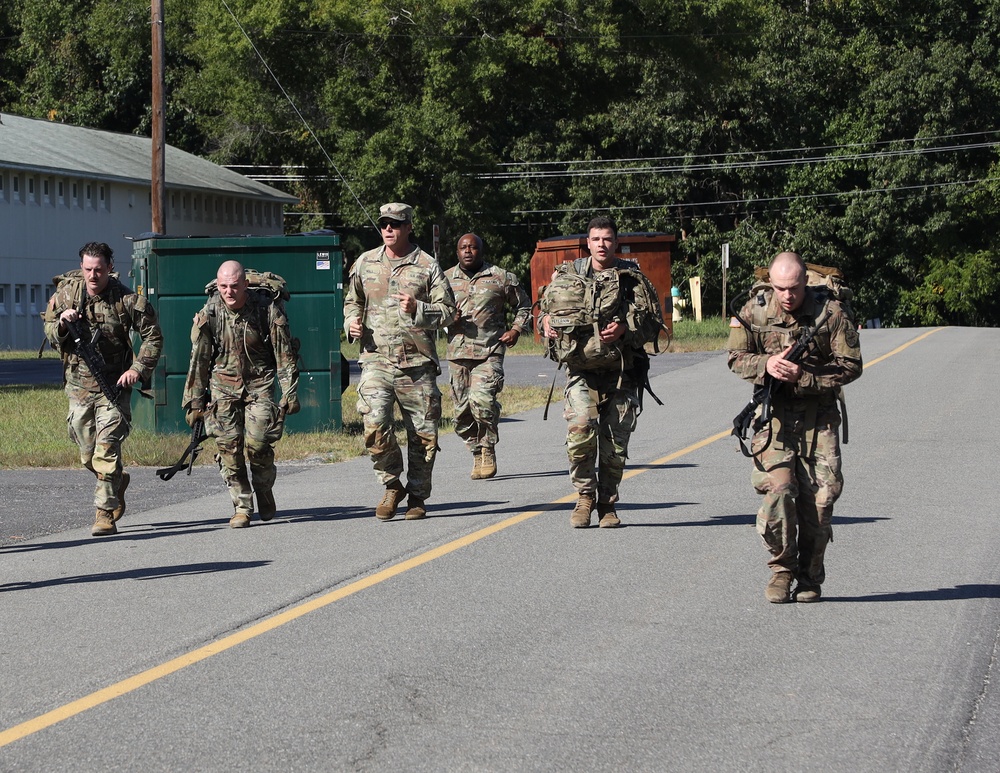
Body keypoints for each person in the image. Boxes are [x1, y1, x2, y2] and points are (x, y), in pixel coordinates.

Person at [727, 251, 862, 603]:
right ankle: (782, 570)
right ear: (771, 284)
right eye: (780, 288)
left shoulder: (830, 313)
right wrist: (766, 364)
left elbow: (851, 366)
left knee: (820, 503)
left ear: (805, 281)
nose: (787, 295)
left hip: (819, 418)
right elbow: (735, 357)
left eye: (794, 287)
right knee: (779, 490)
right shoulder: (754, 310)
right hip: (775, 417)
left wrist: (805, 376)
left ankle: (810, 577)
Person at [540, 216, 656, 529]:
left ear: (615, 242)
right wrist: (546, 325)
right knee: (580, 431)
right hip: (580, 370)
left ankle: (607, 502)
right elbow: (546, 311)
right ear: (588, 243)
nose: (601, 244)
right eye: (596, 239)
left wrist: (624, 330)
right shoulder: (569, 276)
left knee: (615, 447)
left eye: (607, 239)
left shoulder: (631, 278)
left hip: (621, 372)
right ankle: (584, 497)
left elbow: (652, 325)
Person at [343, 202, 457, 520]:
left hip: (417, 363)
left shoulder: (427, 265)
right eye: (384, 224)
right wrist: (350, 321)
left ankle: (417, 495)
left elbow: (449, 311)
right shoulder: (365, 263)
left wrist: (418, 308)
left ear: (408, 226)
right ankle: (392, 485)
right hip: (376, 358)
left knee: (422, 435)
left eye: (395, 224)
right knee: (374, 423)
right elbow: (353, 300)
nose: (388, 229)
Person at [43, 241, 163, 537]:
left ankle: (105, 513)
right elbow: (48, 331)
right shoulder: (66, 294)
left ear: (110, 267)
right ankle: (117, 481)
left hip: (113, 385)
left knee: (107, 448)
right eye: (88, 269)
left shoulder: (127, 301)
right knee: (87, 455)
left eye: (99, 269)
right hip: (79, 385)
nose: (93, 275)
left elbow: (153, 337)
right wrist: (61, 323)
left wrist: (137, 369)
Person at [182, 260, 300, 529]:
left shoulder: (266, 310)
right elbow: (198, 360)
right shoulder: (210, 312)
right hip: (222, 388)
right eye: (223, 286)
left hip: (260, 384)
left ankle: (263, 488)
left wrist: (289, 393)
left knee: (258, 445)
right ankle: (242, 506)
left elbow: (284, 355)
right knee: (228, 450)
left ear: (245, 284)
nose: (229, 291)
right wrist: (194, 401)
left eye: (234, 286)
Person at [444, 233, 532, 479]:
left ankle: (488, 447)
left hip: (489, 351)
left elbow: (524, 305)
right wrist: (446, 318)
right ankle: (475, 450)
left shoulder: (500, 277)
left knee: (482, 401)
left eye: (473, 247)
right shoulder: (445, 279)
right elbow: (431, 311)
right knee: (461, 414)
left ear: (481, 250)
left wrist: (516, 329)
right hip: (457, 353)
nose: (468, 251)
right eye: (463, 247)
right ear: (457, 251)